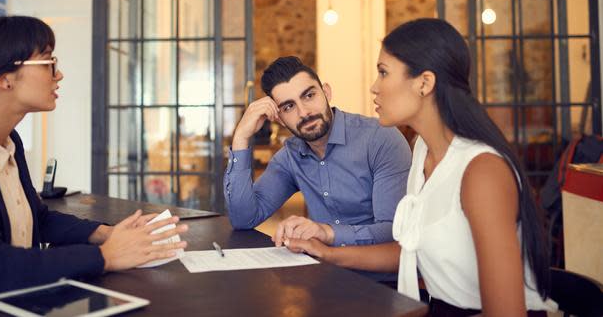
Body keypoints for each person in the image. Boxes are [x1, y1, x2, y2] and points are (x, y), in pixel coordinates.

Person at [284, 19, 556, 316]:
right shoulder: (423, 150)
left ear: (424, 83)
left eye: (383, 73)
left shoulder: (481, 171)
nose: (374, 87)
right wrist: (327, 253)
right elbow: (413, 252)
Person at [0, 16, 188, 301]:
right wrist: (105, 256)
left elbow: (37, 219)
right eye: (48, 62)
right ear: (3, 77)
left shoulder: (9, 139)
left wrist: (107, 234)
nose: (58, 74)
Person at [224, 56, 411, 281]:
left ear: (327, 92)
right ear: (280, 118)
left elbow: (393, 230)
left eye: (309, 95)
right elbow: (243, 218)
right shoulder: (290, 156)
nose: (304, 112)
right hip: (324, 278)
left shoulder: (379, 139)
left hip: (383, 283)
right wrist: (241, 137)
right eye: (289, 106)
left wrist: (326, 232)